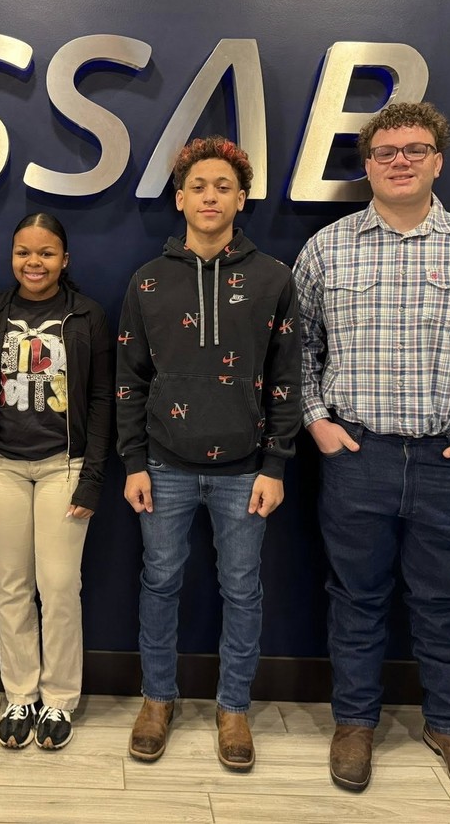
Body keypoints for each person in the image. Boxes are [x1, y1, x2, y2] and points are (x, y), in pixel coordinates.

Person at [293, 102, 450, 801]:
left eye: (415, 149)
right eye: (386, 151)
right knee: (355, 598)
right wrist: (316, 420)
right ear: (367, 165)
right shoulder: (327, 250)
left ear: (438, 160)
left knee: (444, 600)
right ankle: (354, 722)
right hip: (356, 457)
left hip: (444, 461)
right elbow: (296, 346)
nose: (400, 160)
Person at [116, 136, 301, 771]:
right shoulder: (147, 281)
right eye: (198, 186)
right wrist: (133, 461)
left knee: (242, 589)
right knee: (159, 581)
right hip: (164, 465)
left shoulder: (274, 278)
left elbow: (286, 380)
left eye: (223, 186)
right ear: (180, 199)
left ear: (241, 198)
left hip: (245, 470)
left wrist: (275, 464)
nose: (210, 196)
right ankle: (157, 699)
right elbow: (128, 380)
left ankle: (234, 707)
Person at [0, 213, 112, 750]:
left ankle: (60, 697)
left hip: (64, 466)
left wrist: (92, 478)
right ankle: (19, 693)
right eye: (24, 252)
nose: (34, 262)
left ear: (65, 259)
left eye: (46, 253)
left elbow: (101, 401)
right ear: (12, 256)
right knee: (11, 585)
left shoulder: (87, 315)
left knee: (60, 585)